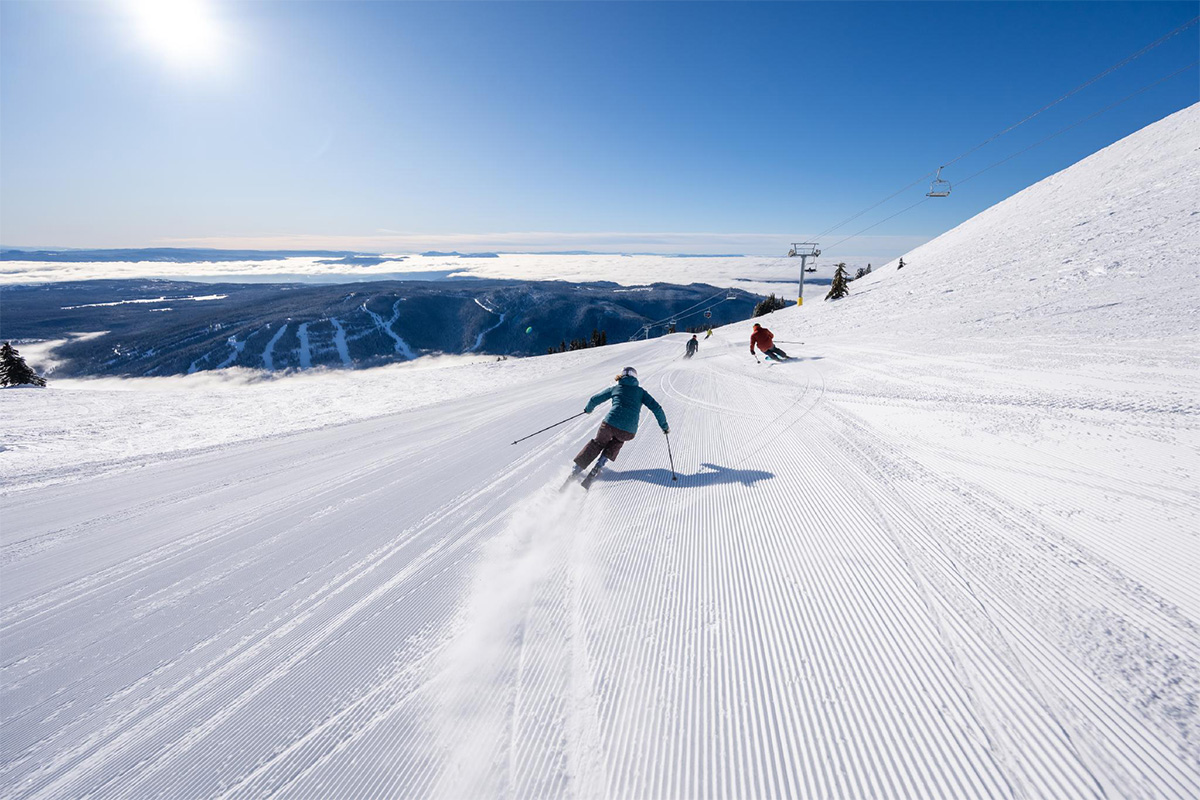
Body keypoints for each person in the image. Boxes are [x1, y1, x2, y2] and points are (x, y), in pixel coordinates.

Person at [571, 366, 669, 481]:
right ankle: (599, 465)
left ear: (622, 376)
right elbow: (656, 408)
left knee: (598, 443)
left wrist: (588, 409)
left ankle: (576, 470)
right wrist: (664, 426)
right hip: (628, 430)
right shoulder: (641, 392)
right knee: (618, 440)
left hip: (609, 424)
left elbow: (595, 399)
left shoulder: (616, 388)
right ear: (635, 377)